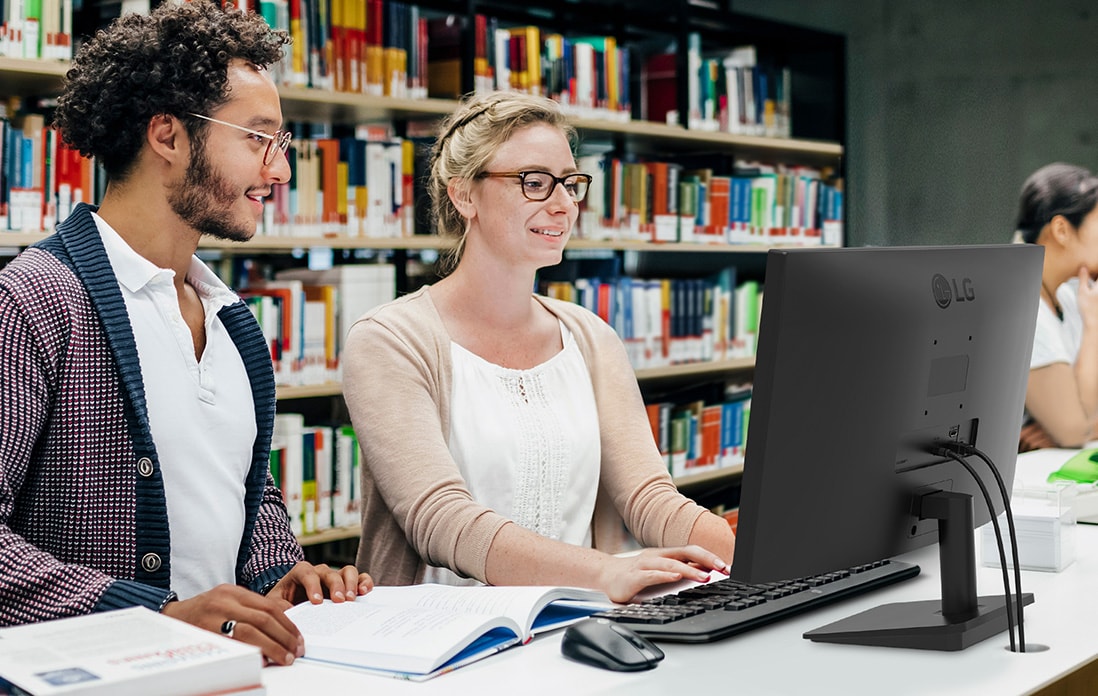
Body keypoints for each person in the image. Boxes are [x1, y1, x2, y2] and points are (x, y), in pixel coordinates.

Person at [0, 1, 371, 666]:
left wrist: (281, 577)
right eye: (257, 139)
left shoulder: (233, 319)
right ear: (168, 136)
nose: (280, 171)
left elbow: (241, 499)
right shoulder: (33, 302)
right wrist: (158, 617)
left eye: (281, 144)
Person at [341, 91, 735, 604]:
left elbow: (650, 500)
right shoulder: (390, 340)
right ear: (464, 196)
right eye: (534, 182)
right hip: (437, 647)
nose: (564, 203)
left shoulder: (590, 338)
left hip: (572, 629)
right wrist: (606, 572)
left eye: (570, 183)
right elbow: (441, 521)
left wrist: (767, 557)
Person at [1015, 162, 1098, 450]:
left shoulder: (1072, 295)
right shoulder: (1020, 306)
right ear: (1062, 230)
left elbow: (1079, 427)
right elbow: (1076, 431)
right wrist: (1093, 328)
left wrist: (1073, 427)